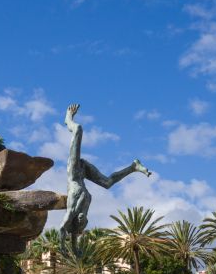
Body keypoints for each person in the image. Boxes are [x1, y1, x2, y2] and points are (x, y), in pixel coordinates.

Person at [59, 103, 151, 251]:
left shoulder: (72, 212)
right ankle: (133, 167)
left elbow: (63, 229)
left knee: (78, 129)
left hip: (74, 171)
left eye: (80, 222)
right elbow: (75, 236)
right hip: (83, 174)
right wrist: (75, 249)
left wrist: (63, 247)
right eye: (84, 223)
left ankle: (68, 119)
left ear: (76, 221)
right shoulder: (86, 205)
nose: (83, 220)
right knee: (107, 183)